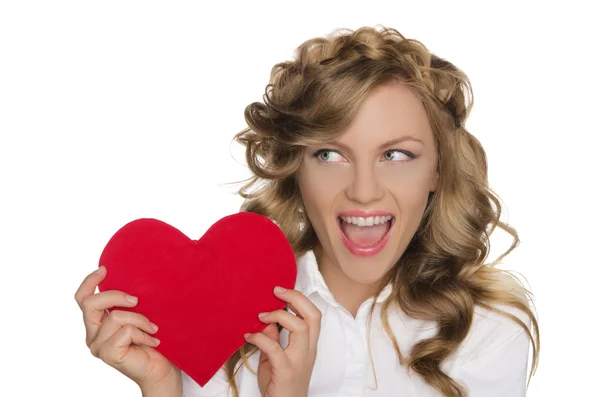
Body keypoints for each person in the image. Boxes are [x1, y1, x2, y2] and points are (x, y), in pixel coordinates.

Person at [75, 25, 540, 397]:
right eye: (329, 155)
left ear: (437, 170)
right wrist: (161, 388)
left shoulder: (487, 331)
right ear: (295, 167)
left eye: (396, 155)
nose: (363, 192)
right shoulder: (221, 311)